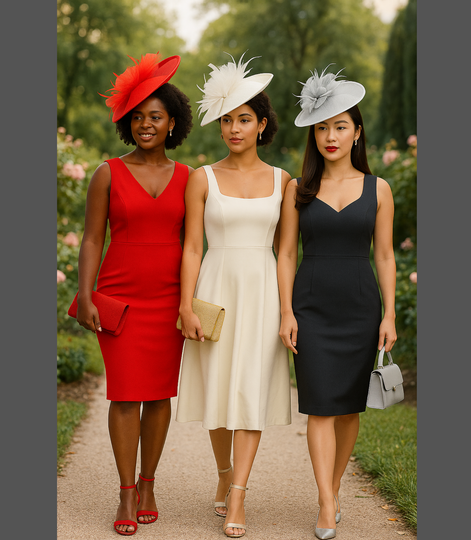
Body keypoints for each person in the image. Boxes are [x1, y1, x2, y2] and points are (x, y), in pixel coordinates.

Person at [75, 53, 193, 536]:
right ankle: (126, 492)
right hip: (119, 299)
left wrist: (190, 302)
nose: (147, 124)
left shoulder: (190, 178)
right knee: (124, 396)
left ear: (172, 124)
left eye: (157, 117)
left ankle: (149, 482)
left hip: (168, 300)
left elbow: (194, 244)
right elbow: (90, 238)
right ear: (128, 122)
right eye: (139, 116)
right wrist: (85, 296)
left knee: (159, 396)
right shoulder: (107, 172)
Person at [277, 66, 397, 539]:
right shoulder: (297, 189)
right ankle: (327, 505)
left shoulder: (379, 188)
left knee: (349, 409)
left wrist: (389, 313)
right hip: (310, 307)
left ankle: (333, 486)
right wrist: (286, 310)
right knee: (321, 407)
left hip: (361, 308)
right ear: (313, 132)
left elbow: (385, 255)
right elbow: (286, 252)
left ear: (357, 132)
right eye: (323, 126)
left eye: (340, 126)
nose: (331, 136)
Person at [175, 54, 292, 538]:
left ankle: (239, 493)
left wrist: (287, 312)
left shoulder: (284, 181)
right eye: (227, 119)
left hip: (263, 291)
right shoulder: (202, 177)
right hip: (216, 289)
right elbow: (193, 246)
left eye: (244, 119)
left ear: (262, 125)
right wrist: (185, 305)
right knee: (220, 390)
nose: (234, 128)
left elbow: (287, 253)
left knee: (250, 391)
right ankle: (224, 472)